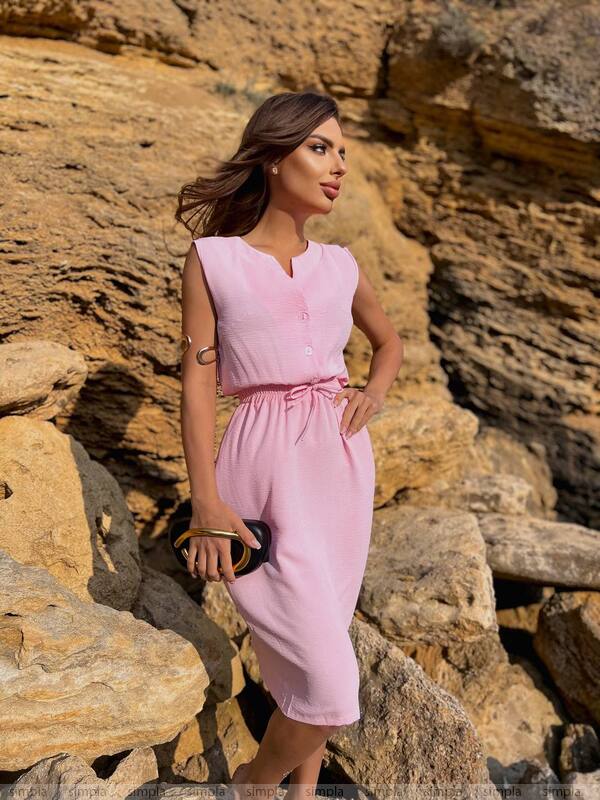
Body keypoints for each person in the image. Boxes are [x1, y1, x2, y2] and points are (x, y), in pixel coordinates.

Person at [175, 91, 403, 797]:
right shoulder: (212, 260)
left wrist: (373, 390)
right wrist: (206, 502)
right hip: (261, 461)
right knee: (333, 682)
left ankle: (302, 792)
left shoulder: (339, 264)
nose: (337, 167)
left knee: (322, 638)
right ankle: (254, 783)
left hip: (338, 463)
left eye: (342, 153)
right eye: (320, 148)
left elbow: (388, 341)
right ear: (274, 158)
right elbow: (196, 386)